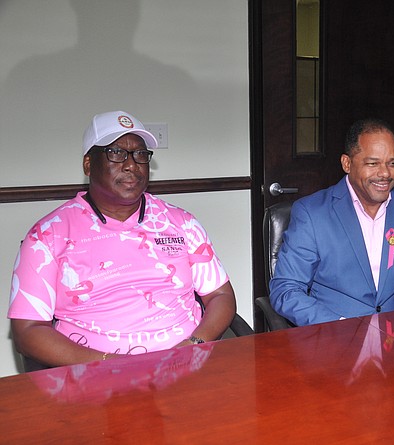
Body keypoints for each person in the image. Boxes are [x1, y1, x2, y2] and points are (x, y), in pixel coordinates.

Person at [8, 110, 237, 367]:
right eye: (115, 153)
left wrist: (194, 345)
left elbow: (220, 295)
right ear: (88, 164)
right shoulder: (47, 236)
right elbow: (28, 330)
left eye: (140, 154)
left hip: (186, 369)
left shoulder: (181, 222)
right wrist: (110, 364)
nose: (131, 165)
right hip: (95, 378)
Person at [270, 118, 394, 326]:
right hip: (335, 339)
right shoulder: (312, 214)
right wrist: (340, 326)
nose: (385, 173)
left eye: (392, 163)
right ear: (347, 164)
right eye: (373, 163)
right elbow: (286, 290)